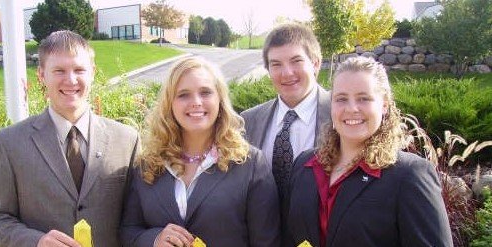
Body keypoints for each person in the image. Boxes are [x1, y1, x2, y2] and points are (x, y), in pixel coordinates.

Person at [0, 30, 140, 247]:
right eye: (59, 70)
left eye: (79, 70)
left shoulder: (127, 140)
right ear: (42, 75)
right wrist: (36, 242)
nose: (70, 80)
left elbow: (138, 219)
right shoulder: (9, 143)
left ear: (93, 72)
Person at [284, 56, 453, 247]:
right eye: (341, 99)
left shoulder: (410, 175)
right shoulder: (305, 165)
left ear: (384, 105)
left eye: (363, 98)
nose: (351, 108)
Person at [120, 57, 280, 247]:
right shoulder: (148, 163)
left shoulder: (250, 164)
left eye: (205, 92)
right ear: (170, 103)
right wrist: (154, 240)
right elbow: (128, 231)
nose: (196, 102)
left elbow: (266, 243)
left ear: (220, 100)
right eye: (183, 95)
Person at [240, 23, 331, 200]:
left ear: (315, 63)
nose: (287, 73)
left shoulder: (340, 116)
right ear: (268, 70)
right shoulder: (249, 121)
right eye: (276, 64)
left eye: (296, 61)